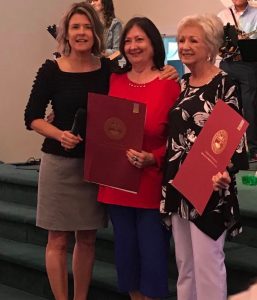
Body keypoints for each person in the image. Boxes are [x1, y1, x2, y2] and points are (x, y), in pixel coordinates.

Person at [24, 3, 110, 299]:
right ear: (66, 33)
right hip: (58, 165)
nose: (82, 32)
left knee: (87, 240)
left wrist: (165, 70)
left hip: (92, 166)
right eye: (75, 27)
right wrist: (60, 134)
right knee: (57, 240)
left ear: (96, 33)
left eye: (87, 27)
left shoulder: (108, 69)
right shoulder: (51, 70)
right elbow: (32, 117)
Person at [161, 14, 248, 300]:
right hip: (178, 184)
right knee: (185, 268)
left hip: (208, 186)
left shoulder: (226, 83)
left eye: (193, 40)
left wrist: (226, 171)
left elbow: (233, 134)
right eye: (182, 39)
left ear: (210, 45)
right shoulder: (182, 84)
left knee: (208, 266)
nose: (184, 45)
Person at [98, 17, 180, 300]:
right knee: (126, 257)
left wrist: (154, 157)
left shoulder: (171, 85)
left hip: (151, 184)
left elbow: (180, 140)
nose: (133, 46)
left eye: (140, 40)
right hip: (117, 184)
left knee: (153, 258)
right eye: (128, 41)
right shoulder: (114, 80)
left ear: (154, 44)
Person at [218, 0, 257, 162]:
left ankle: (253, 150)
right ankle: (227, 151)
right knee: (226, 107)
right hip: (227, 64)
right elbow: (216, 41)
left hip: (249, 65)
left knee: (250, 107)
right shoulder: (222, 15)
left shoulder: (256, 13)